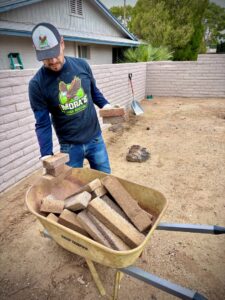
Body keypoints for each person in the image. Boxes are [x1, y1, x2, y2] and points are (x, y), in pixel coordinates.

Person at [29, 22, 111, 174]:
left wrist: (106, 105)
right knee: (72, 188)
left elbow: (93, 92)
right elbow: (42, 123)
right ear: (36, 51)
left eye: (55, 54)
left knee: (106, 180)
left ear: (62, 43)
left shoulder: (82, 65)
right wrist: (46, 154)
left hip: (95, 139)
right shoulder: (37, 84)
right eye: (46, 57)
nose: (53, 61)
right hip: (69, 147)